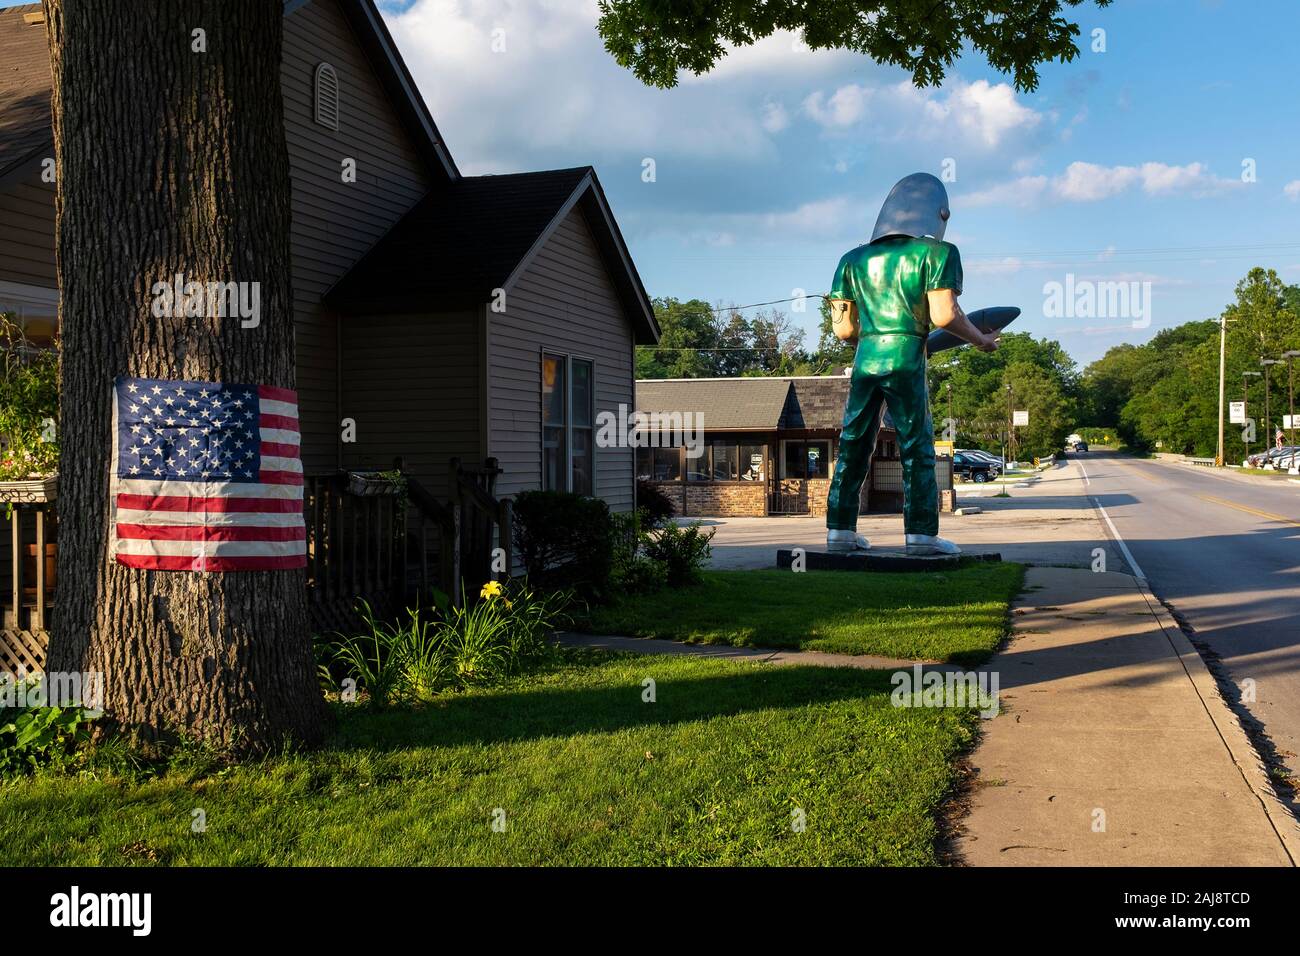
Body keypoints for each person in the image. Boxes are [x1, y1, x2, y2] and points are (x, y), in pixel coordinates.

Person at [824, 172, 999, 555]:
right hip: (907, 355)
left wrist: (874, 335)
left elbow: (842, 329)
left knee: (853, 442)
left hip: (866, 357)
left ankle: (839, 531)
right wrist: (982, 340)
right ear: (938, 214)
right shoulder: (938, 253)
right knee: (916, 445)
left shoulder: (850, 260)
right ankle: (921, 536)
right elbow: (944, 315)